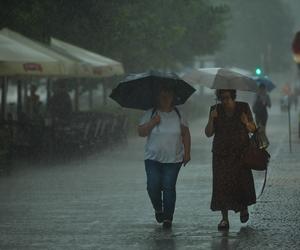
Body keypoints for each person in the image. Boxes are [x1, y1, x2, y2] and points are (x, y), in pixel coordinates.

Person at [138, 84, 191, 229]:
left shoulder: (179, 114)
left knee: (169, 187)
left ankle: (168, 218)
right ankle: (158, 208)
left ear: (173, 96)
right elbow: (141, 132)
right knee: (152, 186)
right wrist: (152, 122)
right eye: (162, 93)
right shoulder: (151, 112)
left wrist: (187, 152)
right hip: (152, 159)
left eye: (168, 93)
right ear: (158, 96)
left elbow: (185, 133)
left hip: (173, 159)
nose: (165, 97)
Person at [205, 89, 257, 230]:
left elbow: (253, 129)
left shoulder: (243, 107)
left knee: (242, 181)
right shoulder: (215, 109)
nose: (225, 101)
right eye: (222, 98)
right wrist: (211, 119)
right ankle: (224, 218)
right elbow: (208, 133)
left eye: (228, 97)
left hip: (241, 153)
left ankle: (244, 208)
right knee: (221, 185)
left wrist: (246, 122)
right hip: (221, 154)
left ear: (233, 96)